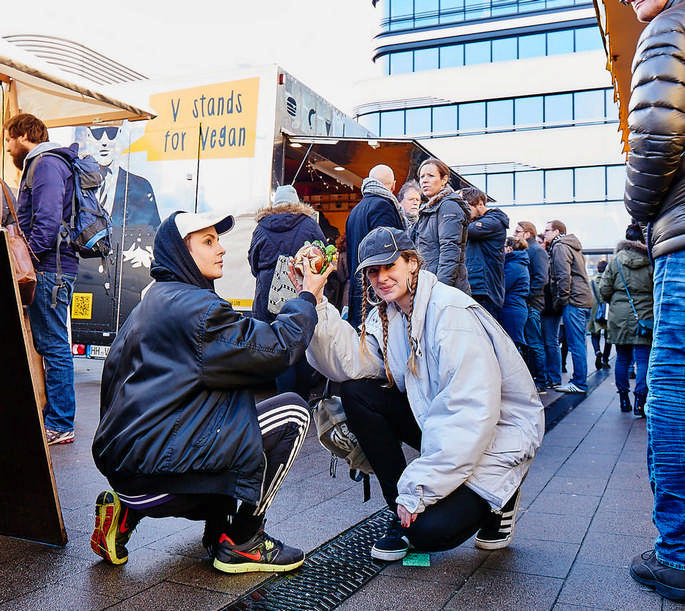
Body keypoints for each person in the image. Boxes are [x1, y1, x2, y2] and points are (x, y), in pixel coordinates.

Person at [91, 210, 322, 574]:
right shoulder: (198, 310)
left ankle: (125, 514)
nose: (221, 250)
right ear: (182, 253)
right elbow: (277, 349)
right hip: (161, 476)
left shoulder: (151, 302)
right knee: (291, 413)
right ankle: (243, 540)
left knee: (230, 416)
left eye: (218, 240)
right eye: (208, 242)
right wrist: (307, 296)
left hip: (126, 473)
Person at [301, 226, 544, 561]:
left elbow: (470, 412)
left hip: (496, 438)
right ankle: (399, 512)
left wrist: (418, 490)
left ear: (412, 263)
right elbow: (350, 364)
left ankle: (503, 495)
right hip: (441, 421)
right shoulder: (391, 314)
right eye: (373, 271)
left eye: (390, 266)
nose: (382, 277)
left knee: (428, 533)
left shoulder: (450, 314)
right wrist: (313, 299)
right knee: (357, 391)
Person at [623, 2, 685, 598]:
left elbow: (658, 130)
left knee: (673, 384)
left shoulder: (671, 23)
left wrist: (640, 210)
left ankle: (679, 551)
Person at [4, 113, 79, 445]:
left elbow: (47, 222)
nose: (7, 148)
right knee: (51, 345)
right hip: (52, 268)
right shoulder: (46, 163)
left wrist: (26, 260)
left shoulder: (45, 164)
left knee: (54, 347)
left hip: (49, 270)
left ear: (22, 136)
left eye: (8, 139)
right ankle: (56, 419)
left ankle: (61, 423)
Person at [248, 184, 326, 400]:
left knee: (277, 347)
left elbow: (253, 260)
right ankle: (300, 400)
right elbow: (322, 255)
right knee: (300, 345)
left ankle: (283, 400)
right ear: (297, 202)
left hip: (268, 294)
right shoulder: (309, 224)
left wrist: (267, 276)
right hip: (301, 290)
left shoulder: (262, 226)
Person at [80, 124, 161, 319]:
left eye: (112, 133)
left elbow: (155, 238)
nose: (105, 140)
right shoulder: (76, 184)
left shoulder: (140, 186)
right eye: (99, 134)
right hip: (84, 281)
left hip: (127, 288)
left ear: (120, 136)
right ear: (88, 137)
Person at [345, 164, 405, 328]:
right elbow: (389, 252)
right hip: (378, 289)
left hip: (360, 287)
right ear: (393, 185)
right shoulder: (383, 206)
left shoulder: (355, 210)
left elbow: (350, 254)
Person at [599, 233, 653, 416]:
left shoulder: (616, 260)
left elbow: (604, 289)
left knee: (622, 359)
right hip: (645, 315)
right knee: (643, 359)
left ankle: (623, 399)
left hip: (620, 315)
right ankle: (641, 400)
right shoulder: (651, 259)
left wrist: (615, 300)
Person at [544, 220, 593, 393]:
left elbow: (563, 277)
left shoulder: (560, 246)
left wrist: (560, 300)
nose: (544, 233)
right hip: (582, 299)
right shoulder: (571, 245)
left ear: (557, 231)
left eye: (547, 230)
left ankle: (579, 382)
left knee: (575, 343)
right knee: (578, 342)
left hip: (574, 300)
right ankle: (579, 380)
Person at [411, 158, 470, 293]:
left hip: (443, 288)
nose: (424, 180)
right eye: (422, 177)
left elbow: (450, 251)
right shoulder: (428, 209)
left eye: (431, 176)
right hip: (428, 283)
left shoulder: (448, 206)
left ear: (444, 180)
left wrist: (440, 289)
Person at [461, 186, 509, 318]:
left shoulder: (495, 221)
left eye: (467, 208)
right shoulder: (477, 222)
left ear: (480, 204)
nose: (463, 213)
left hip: (484, 290)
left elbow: (471, 230)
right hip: (477, 287)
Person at [514, 221, 549, 393]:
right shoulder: (529, 250)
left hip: (532, 304)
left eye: (518, 231)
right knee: (529, 343)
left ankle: (541, 381)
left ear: (527, 233)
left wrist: (526, 297)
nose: (515, 234)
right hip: (528, 303)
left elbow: (541, 279)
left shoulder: (536, 251)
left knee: (535, 343)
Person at [499, 236, 530, 355]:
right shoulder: (518, 263)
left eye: (504, 246)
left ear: (509, 249)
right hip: (515, 308)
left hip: (512, 309)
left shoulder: (513, 266)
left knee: (512, 348)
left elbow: (503, 286)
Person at [588, 260, 612, 371]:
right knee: (608, 336)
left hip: (595, 310)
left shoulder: (591, 282)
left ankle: (597, 351)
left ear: (597, 269)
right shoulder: (610, 281)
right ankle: (605, 360)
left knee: (594, 334)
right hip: (608, 310)